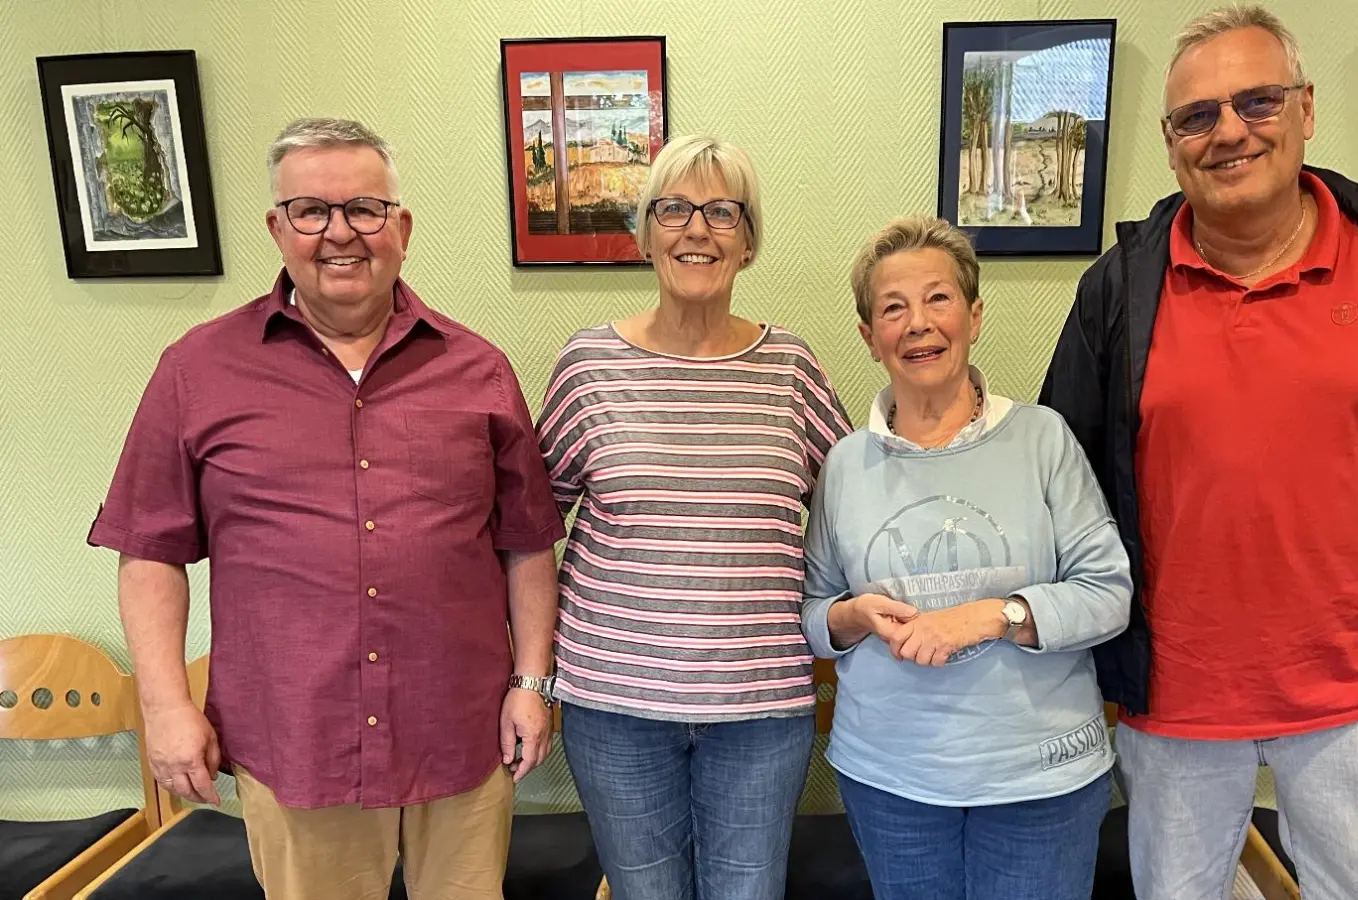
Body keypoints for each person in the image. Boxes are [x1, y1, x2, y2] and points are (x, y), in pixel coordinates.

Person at [1037, 8, 1358, 899]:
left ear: (1306, 109)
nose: (1229, 131)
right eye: (1198, 116)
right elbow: (1060, 488)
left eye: (1257, 101)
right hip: (1173, 707)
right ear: (1170, 143)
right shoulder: (1119, 290)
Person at [88, 117, 568, 900]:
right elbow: (149, 551)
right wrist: (166, 706)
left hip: (459, 727)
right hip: (296, 737)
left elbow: (526, 545)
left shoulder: (477, 368)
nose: (340, 233)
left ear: (401, 228)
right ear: (278, 228)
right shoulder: (197, 369)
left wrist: (531, 681)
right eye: (311, 211)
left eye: (364, 209)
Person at [534, 134, 853, 900]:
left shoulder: (792, 369)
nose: (697, 230)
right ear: (646, 235)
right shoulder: (588, 366)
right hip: (614, 705)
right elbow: (530, 525)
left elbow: (857, 507)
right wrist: (530, 672)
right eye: (674, 209)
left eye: (721, 212)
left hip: (760, 707)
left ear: (748, 242)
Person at [799, 216, 1133, 900]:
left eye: (938, 299)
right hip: (891, 780)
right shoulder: (844, 464)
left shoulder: (1043, 439)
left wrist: (994, 616)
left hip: (1042, 779)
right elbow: (813, 612)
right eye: (894, 308)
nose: (918, 323)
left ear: (974, 315)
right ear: (869, 337)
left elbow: (1109, 593)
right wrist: (852, 615)